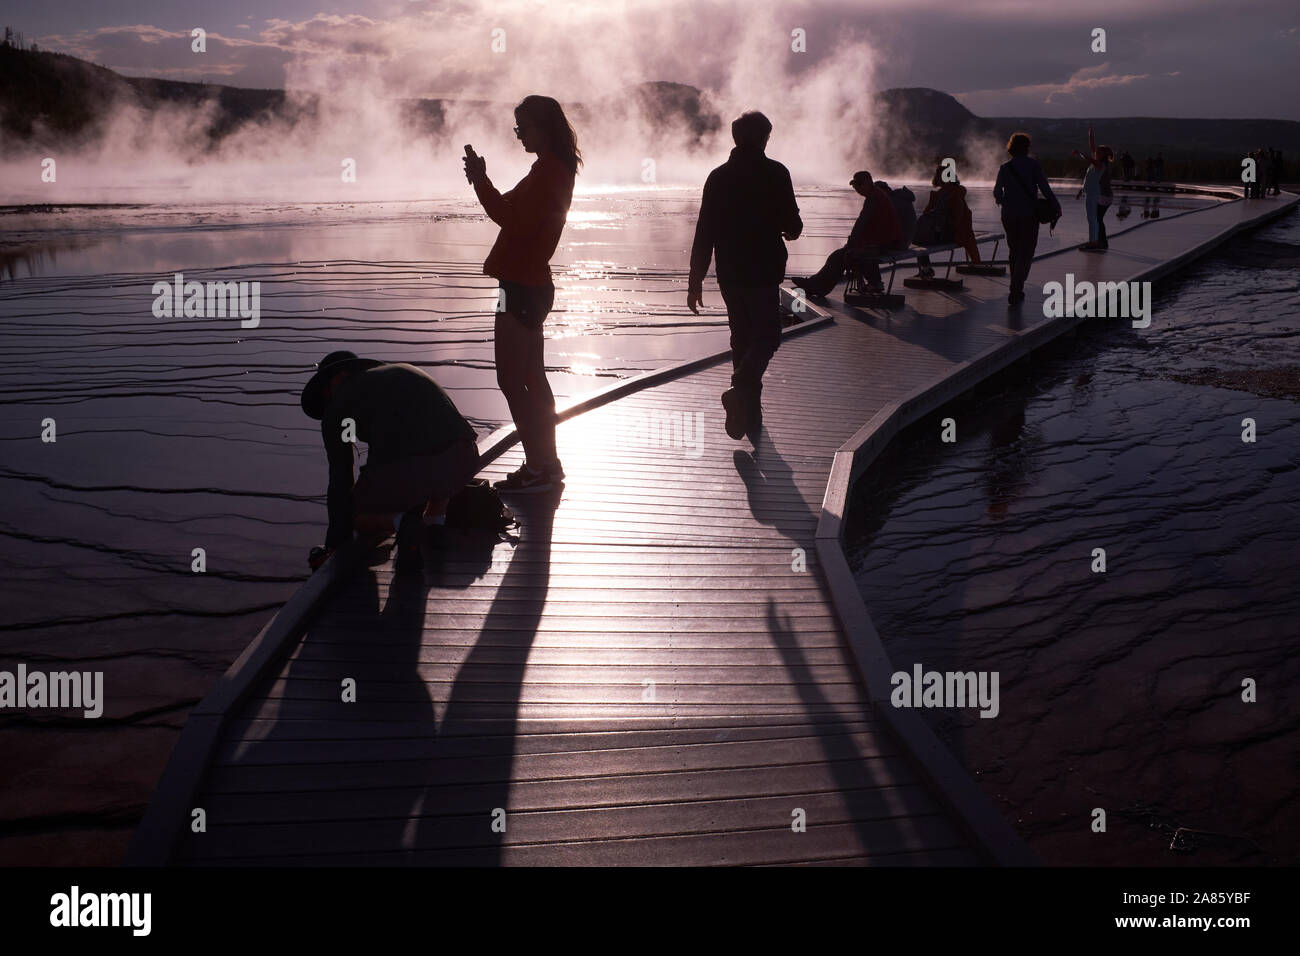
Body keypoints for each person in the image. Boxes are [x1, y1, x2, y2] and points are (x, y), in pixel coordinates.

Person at [464, 94, 579, 493]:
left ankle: (538, 466)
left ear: (544, 128)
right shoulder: (551, 169)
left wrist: (480, 181)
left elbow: (512, 219)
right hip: (528, 284)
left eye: (523, 128)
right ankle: (546, 464)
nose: (518, 136)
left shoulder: (548, 172)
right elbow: (510, 205)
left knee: (512, 381)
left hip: (519, 286)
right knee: (531, 378)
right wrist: (483, 180)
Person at [301, 351, 480, 573]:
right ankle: (435, 525)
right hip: (466, 460)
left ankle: (402, 523)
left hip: (418, 471)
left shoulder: (338, 408)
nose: (326, 400)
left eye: (325, 392)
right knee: (431, 455)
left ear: (338, 377)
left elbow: (341, 477)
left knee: (352, 512)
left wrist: (334, 543)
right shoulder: (402, 371)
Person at [689, 110, 802, 440]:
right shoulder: (776, 173)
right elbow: (792, 226)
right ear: (764, 137)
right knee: (767, 336)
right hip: (763, 271)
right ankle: (740, 392)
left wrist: (695, 279)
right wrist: (788, 230)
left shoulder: (718, 177)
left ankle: (750, 417)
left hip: (729, 272)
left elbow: (704, 231)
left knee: (742, 338)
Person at [790, 170, 899, 296]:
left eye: (858, 186)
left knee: (844, 255)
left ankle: (817, 286)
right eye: (855, 186)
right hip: (882, 240)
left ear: (867, 183)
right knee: (838, 255)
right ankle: (816, 285)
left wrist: (853, 241)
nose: (857, 189)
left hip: (882, 243)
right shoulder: (876, 195)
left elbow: (861, 223)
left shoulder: (873, 198)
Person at [993, 132, 1060, 307]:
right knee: (1027, 252)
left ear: (1011, 148)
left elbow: (997, 193)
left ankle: (1015, 286)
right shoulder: (1033, 166)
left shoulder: (1005, 168)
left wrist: (1005, 201)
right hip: (1029, 215)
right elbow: (1045, 189)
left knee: (1014, 250)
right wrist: (1056, 206)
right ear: (1027, 148)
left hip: (1008, 215)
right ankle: (1016, 287)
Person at [915, 162, 981, 276]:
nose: (940, 178)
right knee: (917, 237)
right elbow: (926, 214)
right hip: (944, 232)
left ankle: (926, 270)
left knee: (918, 241)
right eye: (939, 175)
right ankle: (925, 269)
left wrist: (938, 227)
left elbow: (957, 222)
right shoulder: (940, 195)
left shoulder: (954, 195)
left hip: (952, 235)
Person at [1074, 127, 1113, 250]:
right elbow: (1089, 178)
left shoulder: (1100, 164)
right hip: (1096, 194)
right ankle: (1100, 241)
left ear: (1102, 155)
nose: (1095, 152)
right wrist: (1090, 135)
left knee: (1094, 218)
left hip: (1100, 195)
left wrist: (1079, 153)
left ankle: (1095, 242)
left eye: (1098, 152)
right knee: (1096, 219)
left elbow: (1089, 157)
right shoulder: (1096, 163)